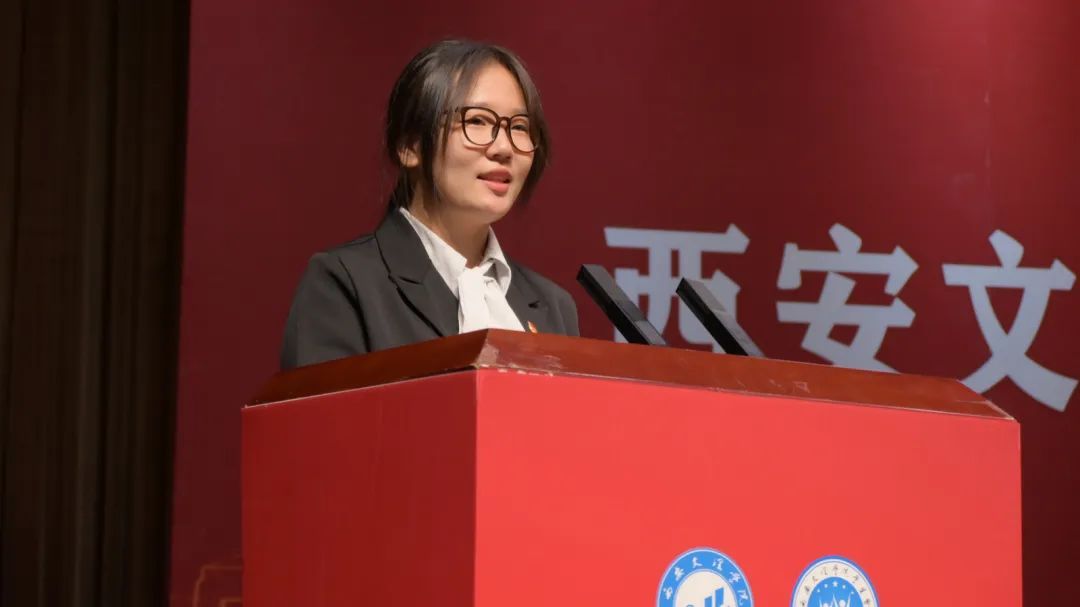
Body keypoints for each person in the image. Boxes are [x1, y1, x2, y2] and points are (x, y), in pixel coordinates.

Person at [280, 39, 579, 370]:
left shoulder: (553, 305)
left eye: (520, 127)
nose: (504, 148)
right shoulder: (345, 283)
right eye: (477, 121)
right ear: (410, 145)